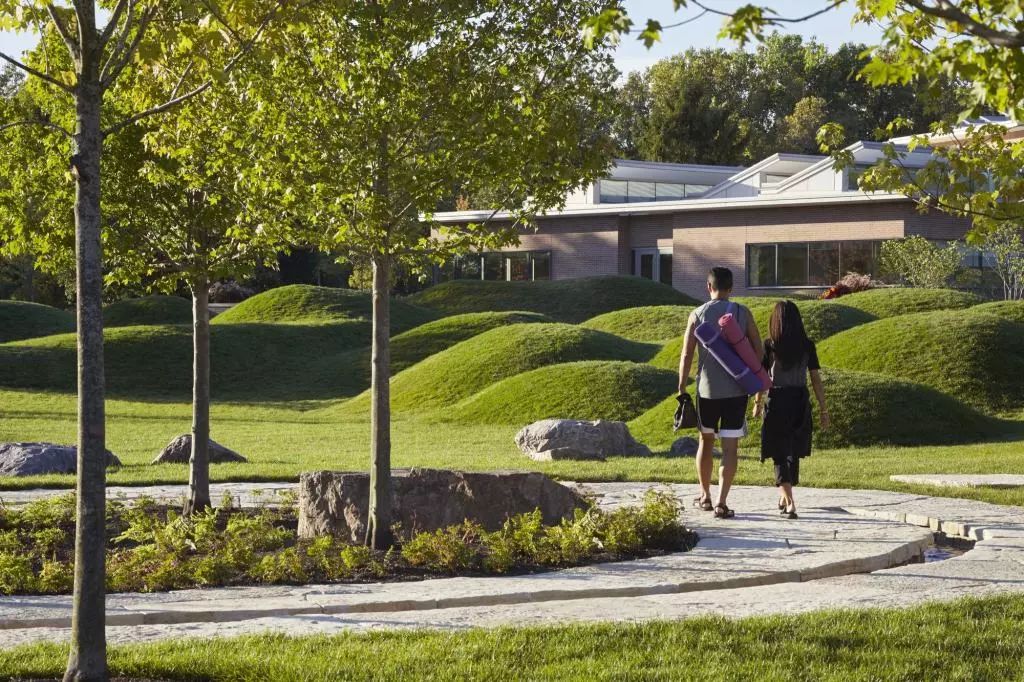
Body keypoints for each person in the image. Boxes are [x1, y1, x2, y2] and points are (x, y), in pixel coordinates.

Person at [678, 267, 762, 519]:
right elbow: (758, 351)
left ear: (708, 287)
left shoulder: (697, 314)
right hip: (737, 389)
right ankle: (722, 502)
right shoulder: (741, 312)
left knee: (706, 442)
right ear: (731, 287)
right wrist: (752, 380)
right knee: (730, 448)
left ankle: (704, 496)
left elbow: (686, 354)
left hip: (706, 391)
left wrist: (681, 386)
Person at [752, 300, 830, 520]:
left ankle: (790, 502)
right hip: (800, 400)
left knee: (779, 451)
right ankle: (784, 495)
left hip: (777, 399)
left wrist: (758, 403)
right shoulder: (807, 345)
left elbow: (762, 376)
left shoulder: (770, 345)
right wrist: (824, 409)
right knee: (792, 450)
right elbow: (815, 378)